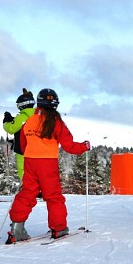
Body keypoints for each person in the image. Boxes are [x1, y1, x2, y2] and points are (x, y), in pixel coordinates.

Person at [7, 88, 90, 243]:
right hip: (48, 163)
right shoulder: (56, 122)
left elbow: (23, 144)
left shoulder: (30, 120)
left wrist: (32, 154)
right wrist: (84, 146)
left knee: (27, 194)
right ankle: (58, 229)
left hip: (30, 162)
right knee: (53, 196)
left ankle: (16, 228)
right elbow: (69, 146)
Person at [3, 88, 36, 181]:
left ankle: (30, 189)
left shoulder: (21, 117)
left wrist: (6, 121)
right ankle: (41, 188)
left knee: (23, 170)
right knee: (37, 170)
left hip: (23, 149)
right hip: (38, 149)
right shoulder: (39, 116)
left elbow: (10, 128)